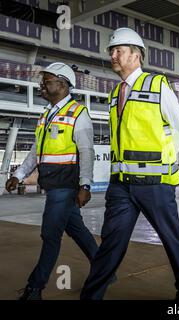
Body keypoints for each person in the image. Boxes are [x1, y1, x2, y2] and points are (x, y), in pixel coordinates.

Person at [80, 28, 179, 300]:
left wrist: (164, 157)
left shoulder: (157, 85)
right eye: (112, 51)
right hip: (121, 184)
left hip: (155, 183)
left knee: (172, 238)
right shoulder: (114, 94)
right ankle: (91, 296)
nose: (113, 55)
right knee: (111, 242)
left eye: (118, 50)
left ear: (136, 55)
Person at [5, 62, 98, 300]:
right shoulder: (46, 114)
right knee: (77, 231)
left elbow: (87, 151)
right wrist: (18, 174)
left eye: (46, 81)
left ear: (63, 84)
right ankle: (104, 270)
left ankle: (35, 289)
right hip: (52, 184)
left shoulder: (78, 113)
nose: (42, 86)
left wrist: (85, 185)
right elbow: (38, 150)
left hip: (65, 185)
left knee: (50, 235)